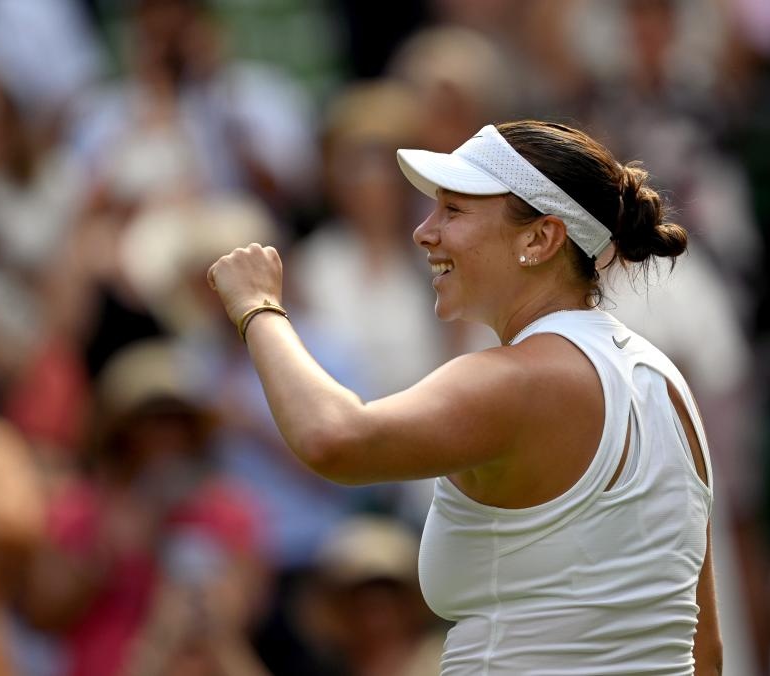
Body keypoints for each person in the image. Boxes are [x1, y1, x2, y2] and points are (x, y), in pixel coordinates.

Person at [207, 120, 723, 674]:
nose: (423, 232)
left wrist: (258, 307)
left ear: (539, 238)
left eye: (453, 210)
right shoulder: (668, 387)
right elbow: (706, 650)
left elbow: (333, 437)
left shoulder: (512, 380)